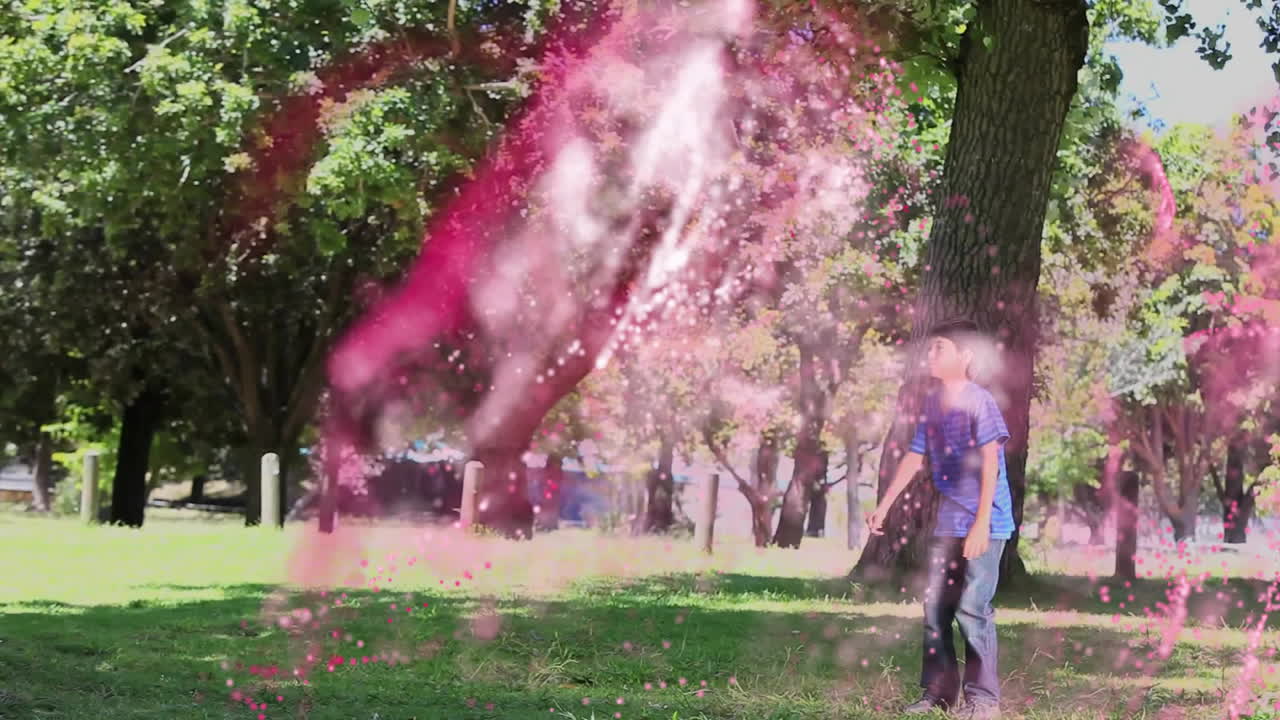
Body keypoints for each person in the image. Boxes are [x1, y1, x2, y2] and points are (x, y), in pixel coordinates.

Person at [865, 318, 1015, 720]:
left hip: (988, 520)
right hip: (950, 520)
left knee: (972, 607)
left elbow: (991, 466)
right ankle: (939, 693)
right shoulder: (933, 403)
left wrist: (982, 523)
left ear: (965, 357)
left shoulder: (979, 401)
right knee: (935, 608)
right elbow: (915, 457)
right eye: (929, 348)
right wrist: (885, 504)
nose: (930, 354)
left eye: (940, 348)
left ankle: (984, 701)